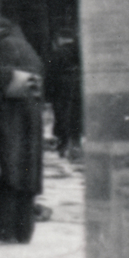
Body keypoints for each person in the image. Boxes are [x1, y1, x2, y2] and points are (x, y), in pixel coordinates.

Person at [0, 17, 45, 244]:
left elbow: (1, 79)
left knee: (6, 173)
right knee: (26, 174)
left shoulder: (6, 45)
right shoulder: (27, 47)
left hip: (11, 118)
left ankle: (1, 231)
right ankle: (23, 232)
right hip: (30, 118)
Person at [45, 26, 83, 161]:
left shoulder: (57, 53)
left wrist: (47, 94)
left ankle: (64, 147)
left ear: (59, 39)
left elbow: (50, 74)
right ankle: (76, 145)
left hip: (62, 89)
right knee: (76, 116)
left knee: (62, 117)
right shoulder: (81, 51)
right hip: (79, 88)